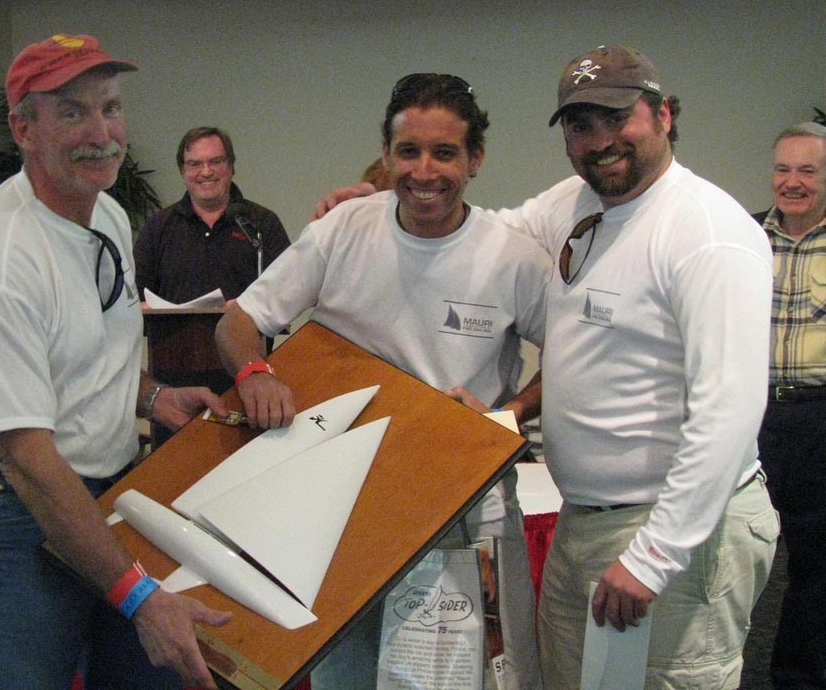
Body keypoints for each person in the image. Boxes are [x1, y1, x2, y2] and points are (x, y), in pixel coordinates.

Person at [216, 73, 551, 690]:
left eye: (444, 153)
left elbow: (570, 358)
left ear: (475, 159)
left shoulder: (513, 257)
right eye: (409, 152)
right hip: (344, 504)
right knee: (347, 672)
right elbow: (239, 322)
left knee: (478, 677)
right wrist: (255, 371)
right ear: (388, 154)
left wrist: (507, 415)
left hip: (464, 503)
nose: (425, 171)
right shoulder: (344, 229)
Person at [0, 33, 232, 690]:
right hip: (13, 510)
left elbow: (89, 357)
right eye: (72, 112)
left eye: (111, 107)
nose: (103, 132)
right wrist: (138, 595)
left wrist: (151, 397)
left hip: (110, 490)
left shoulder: (111, 217)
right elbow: (27, 458)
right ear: (23, 129)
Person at [496, 46, 778, 688]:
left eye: (617, 118)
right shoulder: (574, 202)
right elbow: (484, 239)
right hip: (584, 522)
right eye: (579, 125)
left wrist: (655, 557)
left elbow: (729, 410)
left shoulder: (707, 232)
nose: (600, 142)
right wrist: (378, 207)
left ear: (664, 114)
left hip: (675, 534)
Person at [133, 126, 289, 445]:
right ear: (182, 170)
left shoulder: (261, 225)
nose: (206, 172)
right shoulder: (159, 228)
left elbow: (287, 302)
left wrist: (246, 312)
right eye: (195, 164)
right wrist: (151, 310)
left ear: (231, 166)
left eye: (215, 161)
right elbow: (132, 301)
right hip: (174, 390)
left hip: (245, 386)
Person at [752, 122, 826, 689]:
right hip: (751, 417)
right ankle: (739, 674)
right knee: (742, 554)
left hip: (819, 420)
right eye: (783, 169)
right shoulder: (745, 238)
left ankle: (796, 678)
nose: (792, 182)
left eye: (808, 170)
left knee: (813, 563)